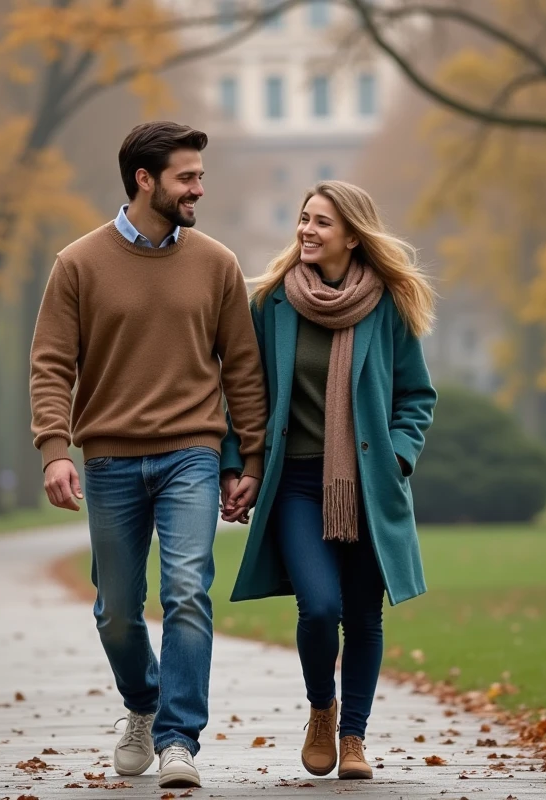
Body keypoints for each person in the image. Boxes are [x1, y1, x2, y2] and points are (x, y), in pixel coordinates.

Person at [29, 121, 267, 789]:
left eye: (199, 176)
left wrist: (249, 460)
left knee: (187, 589)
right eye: (186, 177)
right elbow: (51, 364)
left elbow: (243, 370)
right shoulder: (78, 263)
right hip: (109, 460)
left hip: (192, 452)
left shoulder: (217, 263)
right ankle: (144, 701)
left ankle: (178, 740)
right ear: (144, 179)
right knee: (115, 611)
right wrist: (54, 449)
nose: (198, 189)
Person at [220, 180, 436, 780]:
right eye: (304, 219)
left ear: (352, 236)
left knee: (364, 616)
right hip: (294, 483)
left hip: (368, 484)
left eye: (321, 222)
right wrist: (237, 461)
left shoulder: (388, 305)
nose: (306, 231)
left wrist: (396, 457)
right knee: (318, 608)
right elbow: (244, 394)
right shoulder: (272, 304)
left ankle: (354, 737)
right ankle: (322, 708)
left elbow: (416, 396)